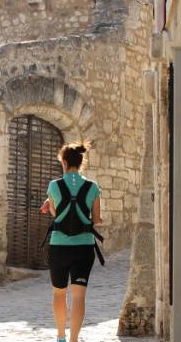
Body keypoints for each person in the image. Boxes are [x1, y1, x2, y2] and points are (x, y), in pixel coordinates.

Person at [40, 142, 102, 342]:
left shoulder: (53, 185)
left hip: (59, 247)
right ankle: (74, 339)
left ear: (64, 162)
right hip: (84, 248)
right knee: (78, 296)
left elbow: (55, 214)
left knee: (59, 293)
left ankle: (60, 337)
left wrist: (49, 206)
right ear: (81, 162)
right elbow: (96, 219)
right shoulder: (93, 187)